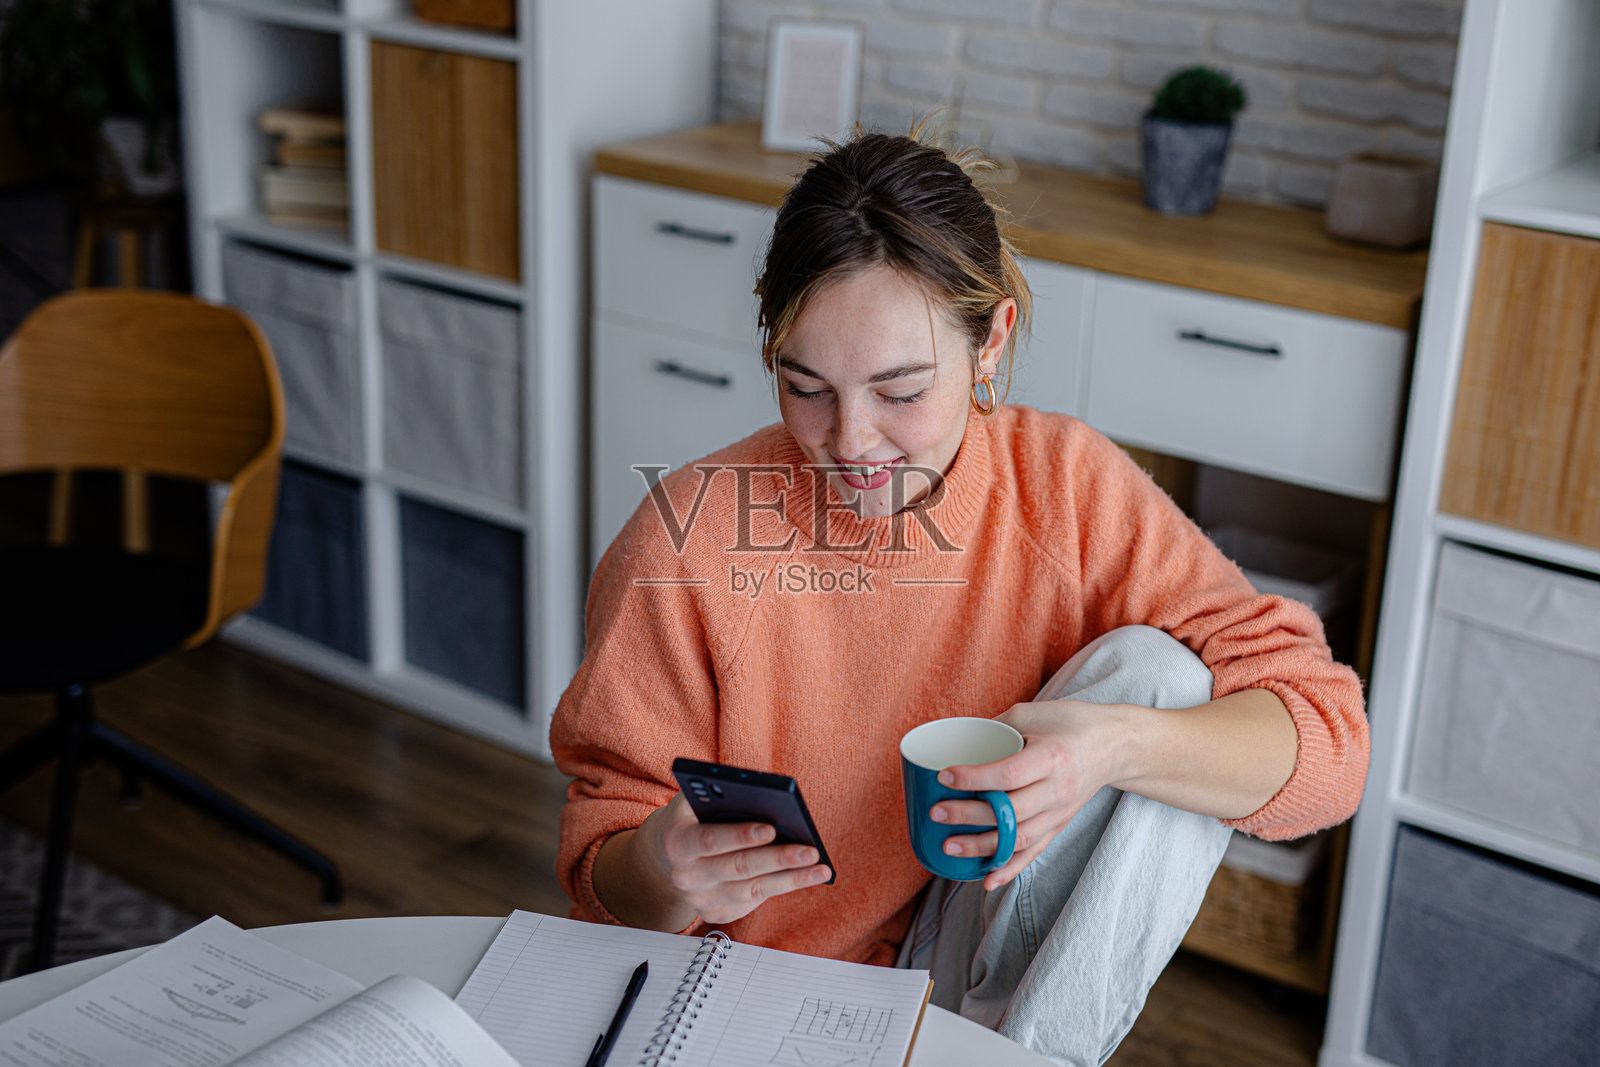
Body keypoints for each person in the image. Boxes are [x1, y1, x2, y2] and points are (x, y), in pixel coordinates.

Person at [552, 126, 1369, 1065]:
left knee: (1160, 678)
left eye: (901, 392)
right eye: (804, 385)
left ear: (991, 342)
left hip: (978, 983)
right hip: (757, 1001)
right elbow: (598, 879)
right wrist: (662, 864)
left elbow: (1331, 748)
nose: (851, 443)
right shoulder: (688, 538)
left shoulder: (1064, 488)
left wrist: (1113, 748)